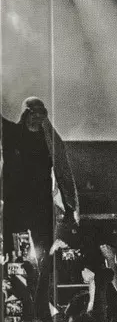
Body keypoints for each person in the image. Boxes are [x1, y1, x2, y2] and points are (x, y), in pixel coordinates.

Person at [1, 97, 79, 258]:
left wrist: (70, 208)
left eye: (41, 113)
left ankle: (43, 271)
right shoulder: (12, 134)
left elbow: (63, 172)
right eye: (33, 112)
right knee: (14, 254)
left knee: (44, 253)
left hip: (40, 205)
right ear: (25, 114)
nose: (37, 117)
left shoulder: (50, 142)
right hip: (16, 203)